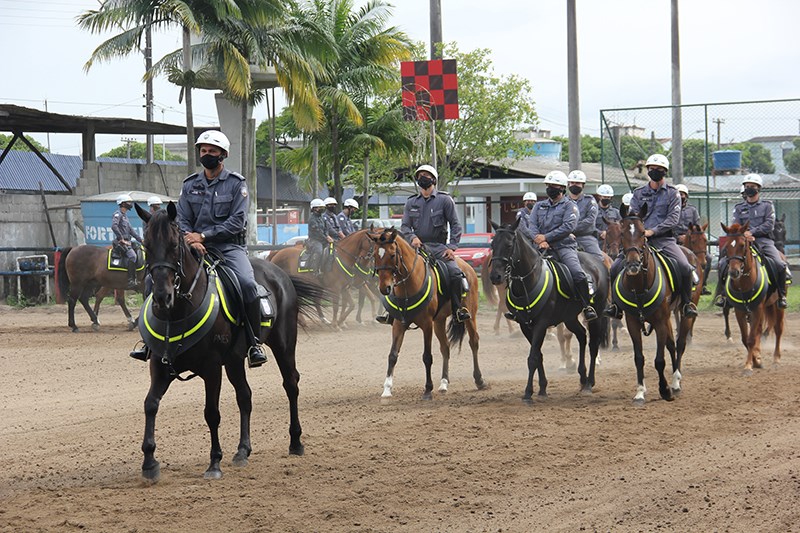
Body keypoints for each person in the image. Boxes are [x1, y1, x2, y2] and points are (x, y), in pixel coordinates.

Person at [175, 130, 268, 367]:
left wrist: (204, 236)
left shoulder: (237, 184)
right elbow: (182, 218)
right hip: (192, 247)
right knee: (156, 278)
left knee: (247, 286)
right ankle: (151, 341)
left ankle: (254, 342)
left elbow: (237, 221)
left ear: (223, 155)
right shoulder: (189, 185)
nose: (206, 155)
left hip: (228, 248)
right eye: (203, 151)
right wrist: (191, 240)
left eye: (212, 151)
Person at [605, 154, 698, 319]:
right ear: (648, 170)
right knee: (613, 268)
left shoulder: (673, 193)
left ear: (665, 172)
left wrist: (652, 231)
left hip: (664, 240)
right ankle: (616, 306)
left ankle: (686, 304)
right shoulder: (639, 193)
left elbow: (673, 219)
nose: (655, 171)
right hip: (638, 242)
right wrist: (638, 232)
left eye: (659, 170)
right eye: (652, 169)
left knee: (684, 266)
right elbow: (632, 215)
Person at [383, 164, 471, 323]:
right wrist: (412, 238)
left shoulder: (445, 200)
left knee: (456, 274)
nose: (422, 178)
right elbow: (405, 226)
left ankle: (458, 309)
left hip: (439, 248)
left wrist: (452, 247)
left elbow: (456, 225)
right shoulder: (411, 202)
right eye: (419, 175)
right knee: (394, 269)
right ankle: (391, 311)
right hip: (416, 248)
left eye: (426, 175)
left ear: (433, 180)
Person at [527, 170, 598, 321]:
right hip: (540, 247)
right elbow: (532, 224)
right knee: (521, 270)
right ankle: (519, 307)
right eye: (548, 185)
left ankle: (587, 306)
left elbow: (568, 226)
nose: (550, 188)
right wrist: (539, 239)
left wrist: (546, 237)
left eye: (554, 186)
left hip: (564, 247)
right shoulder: (539, 206)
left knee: (577, 274)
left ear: (561, 188)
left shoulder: (569, 206)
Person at [714, 173, 788, 309]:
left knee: (779, 264)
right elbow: (735, 224)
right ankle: (724, 295)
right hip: (742, 241)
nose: (749, 189)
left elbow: (769, 224)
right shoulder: (738, 207)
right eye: (747, 186)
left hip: (764, 241)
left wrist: (751, 232)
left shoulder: (767, 205)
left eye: (752, 186)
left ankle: (781, 295)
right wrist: (742, 235)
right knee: (723, 263)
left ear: (758, 188)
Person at [567, 170, 604, 261]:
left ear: (583, 185)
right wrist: (565, 233)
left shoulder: (589, 200)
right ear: (568, 184)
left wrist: (569, 230)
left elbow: (590, 220)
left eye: (578, 183)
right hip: (565, 237)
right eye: (572, 182)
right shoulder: (563, 201)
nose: (575, 185)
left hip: (585, 238)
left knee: (599, 260)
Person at [111, 193, 143, 290]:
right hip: (121, 242)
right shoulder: (118, 214)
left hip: (128, 241)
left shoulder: (125, 216)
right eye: (128, 202)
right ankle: (131, 280)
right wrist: (121, 239)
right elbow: (114, 226)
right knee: (132, 256)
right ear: (123, 204)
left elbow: (131, 231)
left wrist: (141, 240)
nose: (130, 204)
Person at [306, 198, 332, 273]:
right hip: (315, 240)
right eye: (319, 207)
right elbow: (318, 232)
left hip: (323, 240)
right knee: (319, 251)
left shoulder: (322, 218)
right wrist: (326, 238)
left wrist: (327, 236)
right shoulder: (312, 219)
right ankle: (315, 270)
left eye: (322, 208)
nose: (322, 209)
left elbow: (326, 228)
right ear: (314, 208)